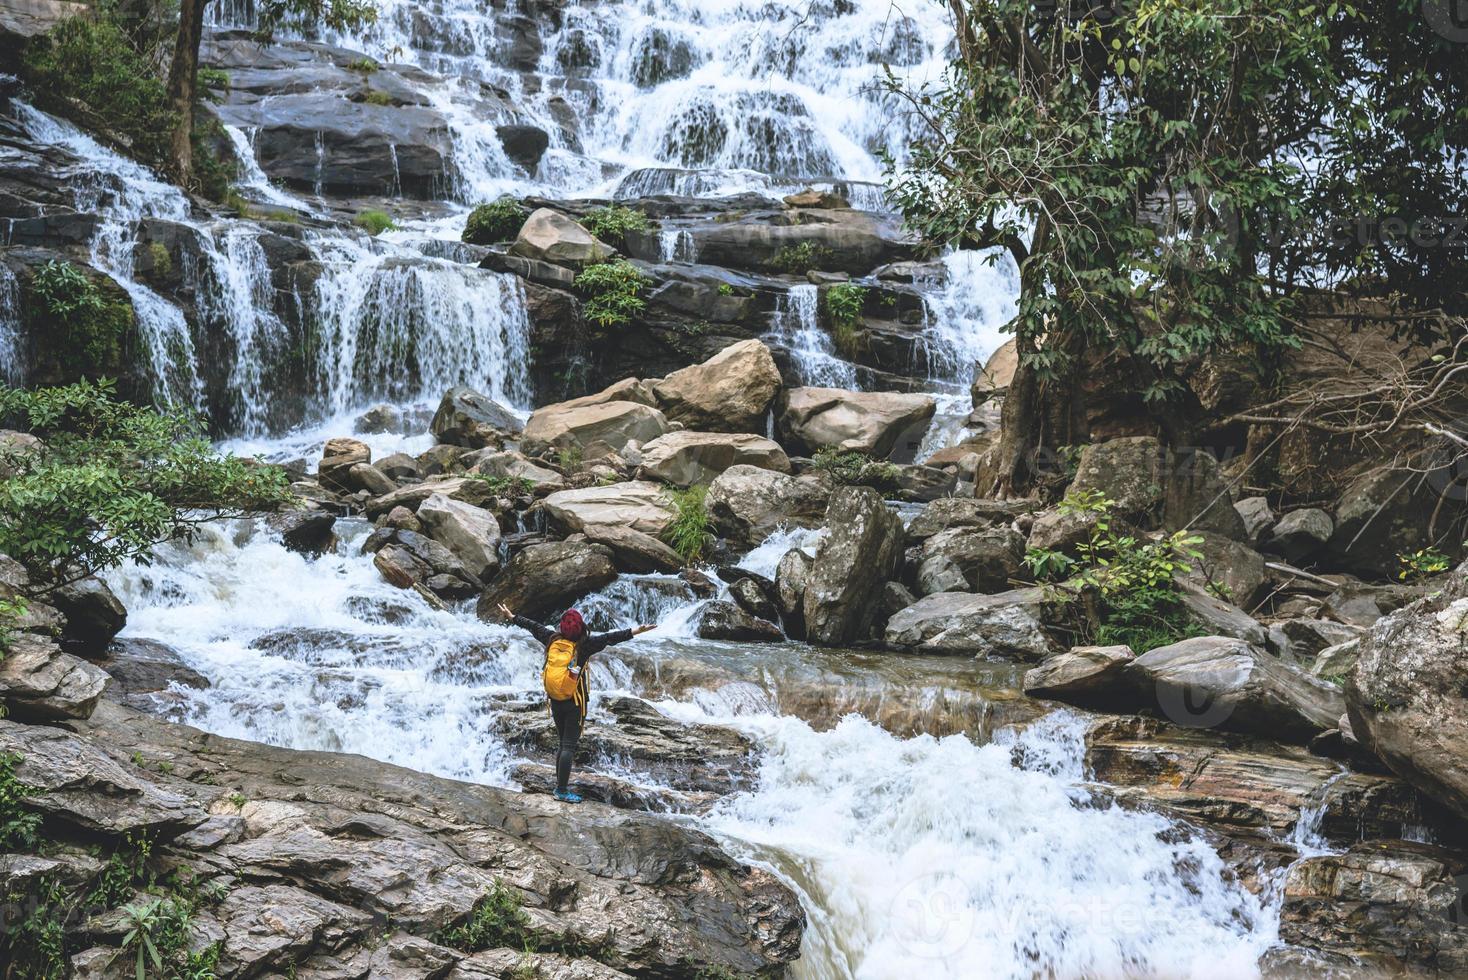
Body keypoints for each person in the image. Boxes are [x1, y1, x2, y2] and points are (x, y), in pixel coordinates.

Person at [499, 603, 655, 803]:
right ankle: (562, 791)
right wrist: (636, 631)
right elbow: (611, 637)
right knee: (568, 746)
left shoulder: (551, 639)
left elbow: (533, 626)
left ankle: (559, 785)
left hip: (555, 700)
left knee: (562, 744)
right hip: (574, 703)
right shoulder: (585, 645)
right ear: (581, 627)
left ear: (562, 627)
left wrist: (512, 617)